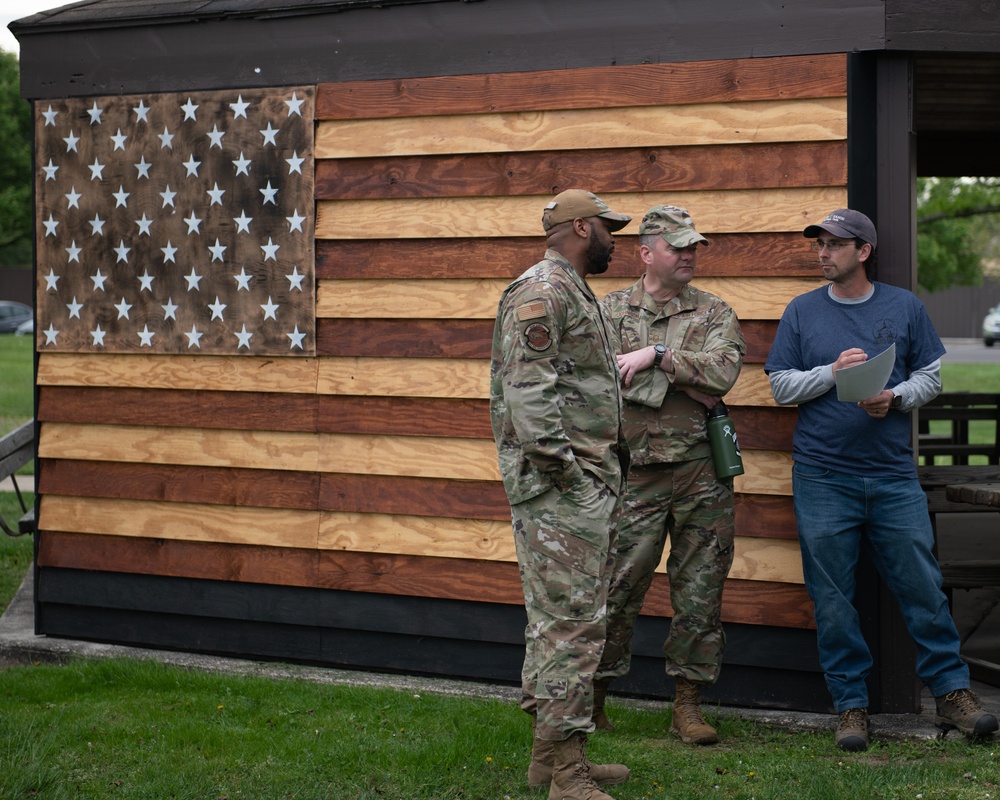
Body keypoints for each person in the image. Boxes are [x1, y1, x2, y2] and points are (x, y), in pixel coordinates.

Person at [764, 208, 999, 751]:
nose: (823, 252)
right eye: (819, 244)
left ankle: (953, 694)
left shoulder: (904, 306)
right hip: (822, 477)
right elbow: (779, 384)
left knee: (923, 587)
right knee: (833, 599)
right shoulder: (802, 311)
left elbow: (932, 376)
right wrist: (831, 374)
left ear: (862, 251)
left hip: (892, 477)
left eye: (834, 244)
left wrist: (895, 397)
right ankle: (850, 706)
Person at [490, 189, 633, 799]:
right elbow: (529, 395)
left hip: (575, 488)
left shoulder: (569, 288)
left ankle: (549, 760)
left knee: (561, 622)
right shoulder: (542, 291)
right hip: (561, 491)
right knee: (573, 628)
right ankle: (567, 777)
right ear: (581, 225)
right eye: (608, 228)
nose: (614, 239)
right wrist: (570, 479)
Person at [593, 205, 746, 745]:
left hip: (702, 473)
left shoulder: (713, 311)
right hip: (633, 473)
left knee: (701, 590)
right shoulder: (608, 311)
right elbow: (598, 382)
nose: (688, 255)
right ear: (646, 253)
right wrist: (684, 379)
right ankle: (595, 699)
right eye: (678, 246)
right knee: (617, 586)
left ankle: (688, 704)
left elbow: (724, 373)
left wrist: (655, 356)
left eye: (693, 246)